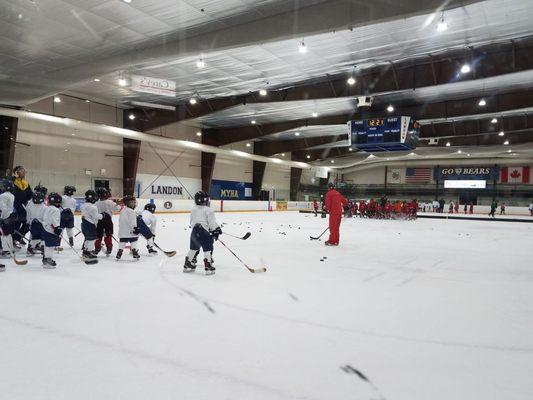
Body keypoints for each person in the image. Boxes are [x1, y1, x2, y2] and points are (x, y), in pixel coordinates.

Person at [183, 191, 221, 274]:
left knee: (193, 248)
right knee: (207, 248)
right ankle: (208, 265)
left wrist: (215, 228)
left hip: (194, 231)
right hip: (204, 232)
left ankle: (187, 264)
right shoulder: (209, 210)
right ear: (204, 200)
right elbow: (211, 223)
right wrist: (215, 230)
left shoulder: (193, 209)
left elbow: (192, 221)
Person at [10, 166, 33, 246]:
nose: (24, 173)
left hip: (23, 206)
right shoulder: (12, 182)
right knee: (16, 223)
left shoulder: (25, 183)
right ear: (17, 172)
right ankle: (13, 239)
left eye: (24, 171)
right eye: (21, 171)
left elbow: (30, 195)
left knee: (27, 223)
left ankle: (18, 237)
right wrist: (13, 178)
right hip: (14, 206)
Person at [95, 188, 121, 255]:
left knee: (98, 235)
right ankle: (109, 247)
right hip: (108, 222)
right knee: (108, 235)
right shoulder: (110, 202)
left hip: (99, 222)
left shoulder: (96, 203)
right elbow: (118, 208)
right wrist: (113, 209)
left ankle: (97, 248)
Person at [41, 192, 63, 268]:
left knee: (47, 245)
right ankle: (48, 259)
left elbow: (46, 218)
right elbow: (54, 220)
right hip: (51, 230)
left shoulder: (48, 208)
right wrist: (57, 228)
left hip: (45, 228)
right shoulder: (56, 210)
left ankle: (45, 258)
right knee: (50, 246)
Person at [116, 195, 140, 260]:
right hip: (130, 231)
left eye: (134, 202)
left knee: (122, 241)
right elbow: (132, 222)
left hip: (122, 231)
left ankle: (119, 252)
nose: (134, 204)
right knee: (134, 240)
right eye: (132, 202)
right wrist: (135, 228)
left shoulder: (123, 210)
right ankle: (134, 251)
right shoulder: (132, 211)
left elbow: (121, 220)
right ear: (127, 203)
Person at [80, 190, 101, 262]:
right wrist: (102, 216)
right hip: (90, 224)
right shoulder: (93, 207)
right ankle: (88, 252)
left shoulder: (83, 205)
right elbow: (95, 216)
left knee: (87, 238)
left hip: (84, 224)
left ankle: (85, 251)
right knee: (92, 239)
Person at [26, 190, 47, 256]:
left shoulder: (30, 206)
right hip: (41, 224)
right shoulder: (45, 207)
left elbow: (28, 216)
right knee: (42, 237)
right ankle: (41, 247)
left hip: (33, 224)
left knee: (35, 237)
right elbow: (45, 217)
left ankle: (31, 247)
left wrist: (28, 222)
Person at [0, 178, 16, 262]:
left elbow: (3, 208)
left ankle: (6, 251)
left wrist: (2, 217)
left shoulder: (3, 196)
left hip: (5, 217)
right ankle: (11, 249)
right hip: (11, 216)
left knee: (3, 235)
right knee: (9, 233)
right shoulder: (11, 195)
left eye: (3, 185)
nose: (1, 187)